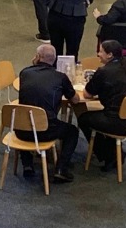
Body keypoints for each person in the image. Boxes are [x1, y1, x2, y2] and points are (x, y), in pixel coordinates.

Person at [15, 44, 79, 182]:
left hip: (21, 130)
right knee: (72, 131)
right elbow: (75, 100)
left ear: (37, 57)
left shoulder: (25, 73)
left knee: (27, 118)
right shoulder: (60, 77)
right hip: (46, 130)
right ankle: (61, 168)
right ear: (55, 59)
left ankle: (27, 165)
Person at [78, 39, 126, 172]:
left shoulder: (103, 72)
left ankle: (108, 155)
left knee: (84, 119)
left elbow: (87, 94)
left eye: (101, 51)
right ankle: (113, 151)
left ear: (110, 55)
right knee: (99, 116)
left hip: (119, 122)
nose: (98, 54)